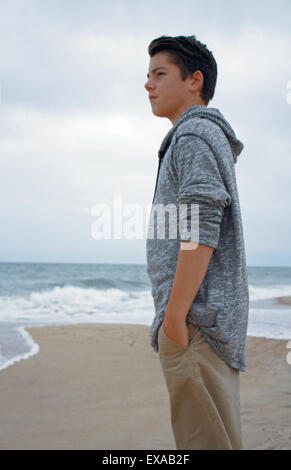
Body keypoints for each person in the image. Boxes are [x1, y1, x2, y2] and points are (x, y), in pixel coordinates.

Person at [144, 35, 249, 450]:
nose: (148, 85)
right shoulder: (200, 137)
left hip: (195, 324)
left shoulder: (193, 137)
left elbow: (201, 226)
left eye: (159, 74)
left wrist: (175, 318)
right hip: (201, 320)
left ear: (195, 80)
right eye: (147, 76)